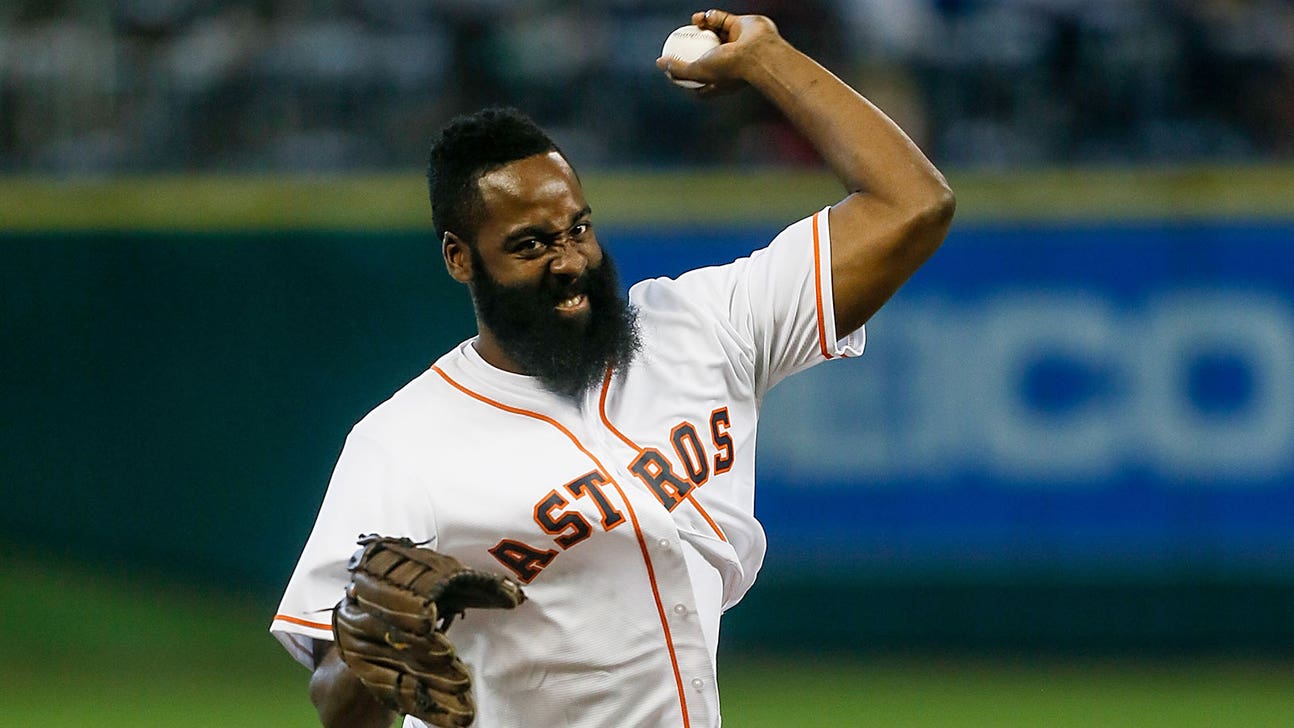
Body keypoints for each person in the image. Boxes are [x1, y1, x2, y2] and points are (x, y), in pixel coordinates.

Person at [271, 8, 954, 728]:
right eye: (531, 245)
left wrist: (769, 61)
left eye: (578, 229)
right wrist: (367, 645)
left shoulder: (701, 329)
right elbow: (334, 698)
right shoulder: (401, 445)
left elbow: (912, 204)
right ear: (459, 258)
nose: (569, 261)